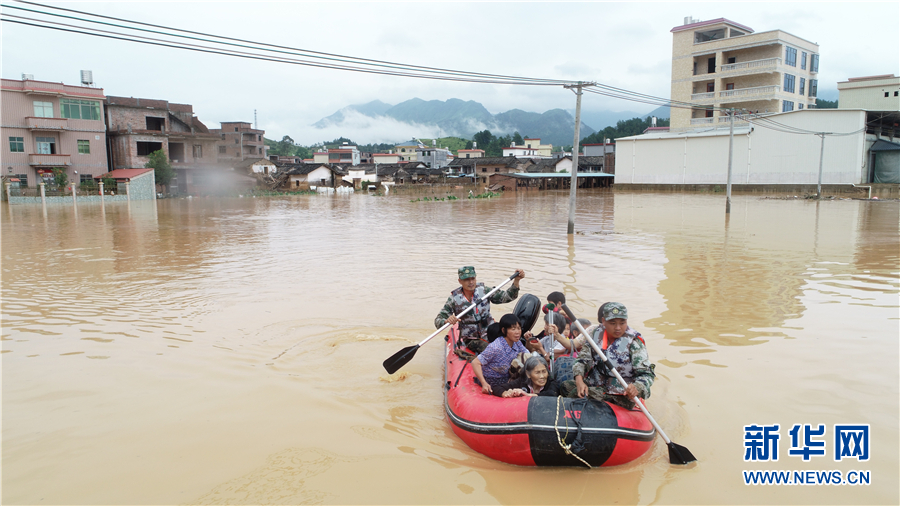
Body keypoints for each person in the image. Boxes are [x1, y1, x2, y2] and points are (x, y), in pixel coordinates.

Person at [561, 302, 655, 410]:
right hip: (596, 382)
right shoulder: (596, 333)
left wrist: (637, 387)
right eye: (613, 323)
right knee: (566, 386)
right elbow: (583, 359)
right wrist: (579, 381)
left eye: (622, 323)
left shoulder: (634, 341)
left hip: (619, 392)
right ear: (603, 321)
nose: (618, 328)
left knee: (574, 394)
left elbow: (647, 374)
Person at [434, 266, 525, 354]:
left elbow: (507, 297)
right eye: (466, 279)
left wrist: (516, 280)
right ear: (460, 281)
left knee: (515, 343)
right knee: (493, 350)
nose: (471, 282)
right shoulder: (454, 299)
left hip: (491, 331)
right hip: (471, 338)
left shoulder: (484, 291)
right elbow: (438, 320)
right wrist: (446, 321)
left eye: (473, 278)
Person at [471, 314, 528, 394]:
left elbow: (527, 355)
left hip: (507, 376)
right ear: (504, 330)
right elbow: (475, 362)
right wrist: (484, 383)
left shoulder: (517, 342)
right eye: (513, 329)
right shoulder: (496, 347)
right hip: (492, 379)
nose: (517, 332)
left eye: (519, 328)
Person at [493, 356, 561, 398]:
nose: (542, 376)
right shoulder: (522, 381)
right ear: (528, 374)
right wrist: (506, 393)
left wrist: (527, 395)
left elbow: (552, 394)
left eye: (544, 371)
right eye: (537, 372)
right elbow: (497, 388)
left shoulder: (551, 382)